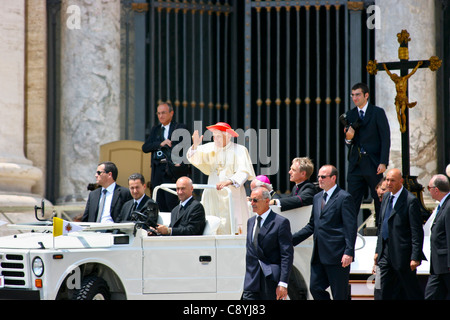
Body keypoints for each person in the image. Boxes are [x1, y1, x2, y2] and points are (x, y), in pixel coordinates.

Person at [292, 165, 357, 300]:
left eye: (323, 177)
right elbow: (312, 226)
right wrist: (291, 240)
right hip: (319, 254)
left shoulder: (344, 198)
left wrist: (349, 251)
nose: (319, 179)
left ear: (333, 178)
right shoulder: (317, 198)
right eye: (318, 177)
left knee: (340, 294)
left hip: (337, 255)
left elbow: (350, 227)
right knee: (315, 288)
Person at [187, 122, 255, 235]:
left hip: (232, 192)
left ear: (228, 136)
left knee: (232, 224)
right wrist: (195, 145)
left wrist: (229, 181)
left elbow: (244, 171)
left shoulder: (240, 149)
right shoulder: (210, 147)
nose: (215, 139)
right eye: (214, 136)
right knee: (212, 222)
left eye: (218, 136)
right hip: (213, 192)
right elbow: (193, 157)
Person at [373, 168, 426, 300]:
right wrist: (377, 250)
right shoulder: (385, 197)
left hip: (403, 254)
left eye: (392, 180)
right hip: (385, 252)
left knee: (410, 289)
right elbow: (381, 225)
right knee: (383, 289)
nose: (388, 183)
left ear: (401, 181)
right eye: (387, 180)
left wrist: (415, 256)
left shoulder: (410, 200)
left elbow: (416, 231)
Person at [344, 82, 390, 224]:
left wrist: (383, 162)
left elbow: (385, 138)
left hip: (373, 163)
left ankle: (381, 232)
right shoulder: (350, 115)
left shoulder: (377, 112)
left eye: (357, 94)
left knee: (379, 199)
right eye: (352, 95)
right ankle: (349, 236)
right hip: (356, 165)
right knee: (351, 202)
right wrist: (348, 139)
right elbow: (348, 143)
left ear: (366, 95)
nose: (354, 98)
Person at [242, 187, 294, 300]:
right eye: (250, 199)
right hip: (251, 280)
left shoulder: (280, 222)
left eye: (255, 200)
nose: (252, 203)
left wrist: (283, 283)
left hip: (270, 280)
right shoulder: (250, 222)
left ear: (266, 201)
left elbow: (287, 255)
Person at [142, 102, 189, 212]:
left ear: (171, 113)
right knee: (159, 201)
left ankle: (172, 227)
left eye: (163, 113)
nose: (160, 116)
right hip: (157, 169)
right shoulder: (155, 129)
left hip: (172, 171)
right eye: (158, 113)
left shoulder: (180, 128)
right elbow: (145, 147)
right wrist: (160, 144)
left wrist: (180, 162)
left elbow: (187, 148)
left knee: (172, 201)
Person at [424, 174, 450, 300]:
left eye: (428, 188)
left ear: (436, 190)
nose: (428, 191)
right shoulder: (442, 205)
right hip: (439, 265)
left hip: (446, 265)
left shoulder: (449, 206)